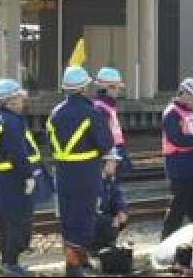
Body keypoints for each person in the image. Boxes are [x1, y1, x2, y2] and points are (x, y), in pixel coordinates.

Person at [46, 66, 114, 276]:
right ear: (84, 88)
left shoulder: (55, 112)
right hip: (85, 172)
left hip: (63, 171)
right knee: (83, 217)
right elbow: (106, 143)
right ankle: (74, 267)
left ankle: (79, 261)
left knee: (68, 217)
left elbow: (49, 141)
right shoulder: (91, 112)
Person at [0, 79, 41, 277]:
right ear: (9, 100)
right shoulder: (10, 122)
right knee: (18, 220)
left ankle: (8, 263)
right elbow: (17, 153)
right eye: (19, 97)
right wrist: (28, 176)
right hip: (13, 179)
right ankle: (10, 264)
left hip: (1, 179)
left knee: (7, 220)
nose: (23, 100)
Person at [161, 78, 193, 241]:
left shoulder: (189, 112)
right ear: (184, 93)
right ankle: (166, 240)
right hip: (179, 165)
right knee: (177, 207)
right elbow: (177, 139)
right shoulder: (171, 113)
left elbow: (191, 135)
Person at [94, 67, 132, 174]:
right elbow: (102, 138)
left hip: (113, 157)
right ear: (109, 87)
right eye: (117, 87)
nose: (119, 91)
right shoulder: (101, 109)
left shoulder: (107, 107)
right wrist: (110, 159)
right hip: (109, 161)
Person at [90, 150, 129, 254]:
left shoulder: (109, 181)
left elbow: (117, 196)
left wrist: (122, 210)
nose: (116, 164)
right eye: (113, 161)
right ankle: (95, 248)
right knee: (109, 221)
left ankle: (106, 246)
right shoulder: (92, 182)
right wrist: (110, 220)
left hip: (102, 220)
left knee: (118, 217)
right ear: (103, 163)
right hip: (93, 224)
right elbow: (92, 212)